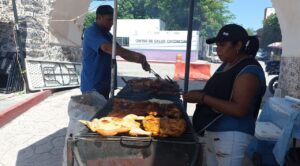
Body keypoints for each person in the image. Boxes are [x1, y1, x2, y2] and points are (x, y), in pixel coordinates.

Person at [183, 24, 266, 166]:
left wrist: (203, 98)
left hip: (232, 135)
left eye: (222, 45)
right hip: (213, 131)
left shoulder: (248, 70)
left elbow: (239, 109)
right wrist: (197, 95)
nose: (218, 49)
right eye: (217, 45)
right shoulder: (227, 64)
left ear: (238, 45)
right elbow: (218, 92)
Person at [80, 5, 151, 99]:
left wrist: (141, 60)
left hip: (105, 85)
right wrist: (138, 56)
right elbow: (107, 48)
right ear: (99, 17)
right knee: (95, 113)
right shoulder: (91, 32)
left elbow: (122, 53)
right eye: (109, 19)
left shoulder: (108, 35)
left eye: (113, 20)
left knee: (104, 111)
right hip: (92, 87)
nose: (112, 23)